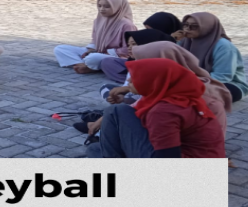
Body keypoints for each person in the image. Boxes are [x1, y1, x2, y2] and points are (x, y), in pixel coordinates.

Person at [97, 58, 226, 159]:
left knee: (116, 111)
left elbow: (167, 160)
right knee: (95, 149)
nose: (129, 80)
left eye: (137, 76)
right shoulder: (182, 96)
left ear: (155, 81)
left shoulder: (164, 111)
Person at [54, 0, 137, 73]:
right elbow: (94, 40)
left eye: (107, 6)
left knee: (93, 58)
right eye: (99, 6)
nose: (102, 9)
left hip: (116, 56)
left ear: (117, 7)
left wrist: (104, 52)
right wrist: (91, 50)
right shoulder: (98, 20)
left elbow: (127, 50)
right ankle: (83, 65)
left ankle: (90, 65)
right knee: (60, 49)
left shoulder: (127, 25)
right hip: (98, 51)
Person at [178, 12, 248, 103]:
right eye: (185, 25)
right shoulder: (185, 41)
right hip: (195, 80)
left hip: (226, 84)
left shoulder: (224, 47)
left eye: (194, 26)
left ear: (207, 28)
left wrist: (190, 81)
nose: (187, 29)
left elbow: (222, 76)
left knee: (192, 93)